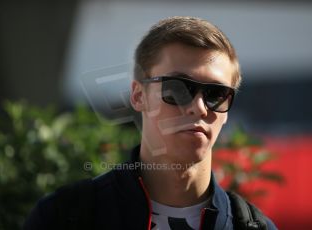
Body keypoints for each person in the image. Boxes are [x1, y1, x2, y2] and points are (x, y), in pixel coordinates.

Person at [24, 16, 277, 230]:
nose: (199, 107)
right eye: (177, 88)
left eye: (216, 95)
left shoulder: (252, 226)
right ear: (138, 96)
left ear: (227, 110)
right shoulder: (63, 216)